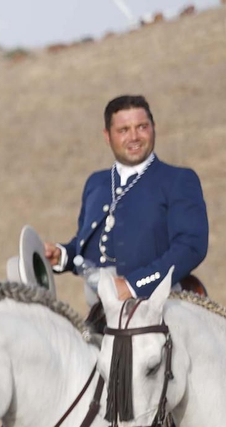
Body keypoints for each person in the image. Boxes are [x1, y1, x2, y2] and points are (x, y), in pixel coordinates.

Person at [44, 94, 208, 303]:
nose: (134, 137)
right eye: (123, 130)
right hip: (99, 309)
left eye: (142, 127)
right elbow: (89, 245)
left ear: (153, 128)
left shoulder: (177, 180)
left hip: (157, 305)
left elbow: (190, 246)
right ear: (107, 136)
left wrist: (134, 285)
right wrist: (62, 255)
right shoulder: (96, 183)